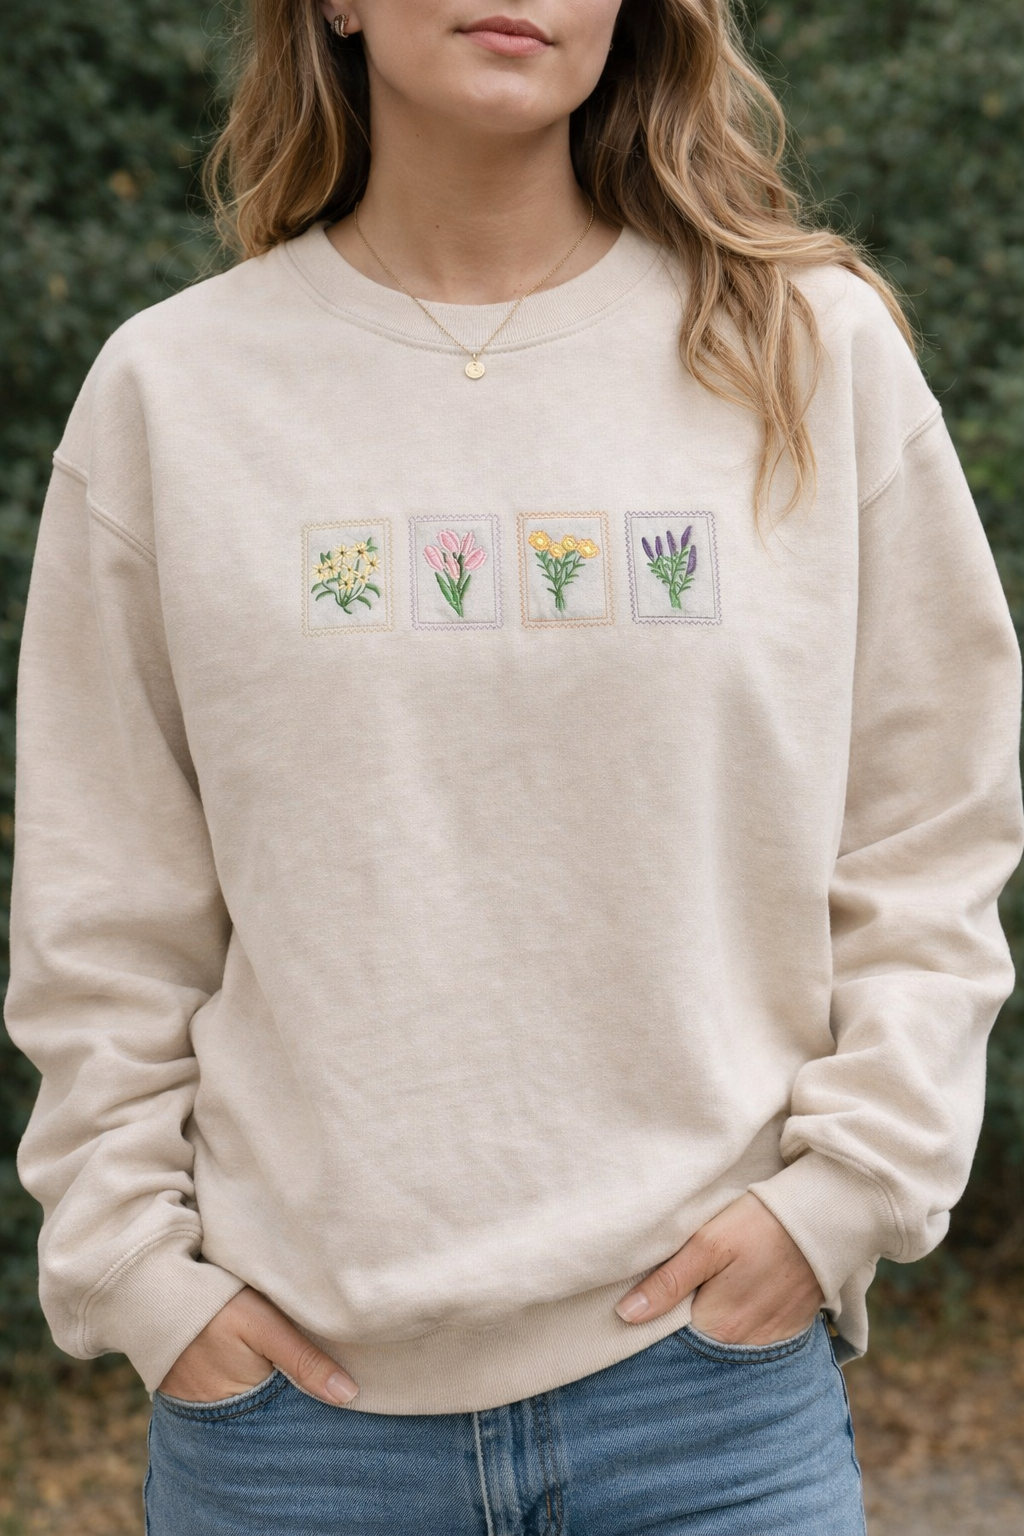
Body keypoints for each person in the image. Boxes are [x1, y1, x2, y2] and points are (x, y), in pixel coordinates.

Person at [7, 1, 1022, 1531]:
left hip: (707, 1407)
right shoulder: (175, 396)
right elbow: (104, 908)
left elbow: (932, 822)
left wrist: (845, 1196)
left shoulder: (810, 353)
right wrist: (145, 1281)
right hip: (297, 1436)